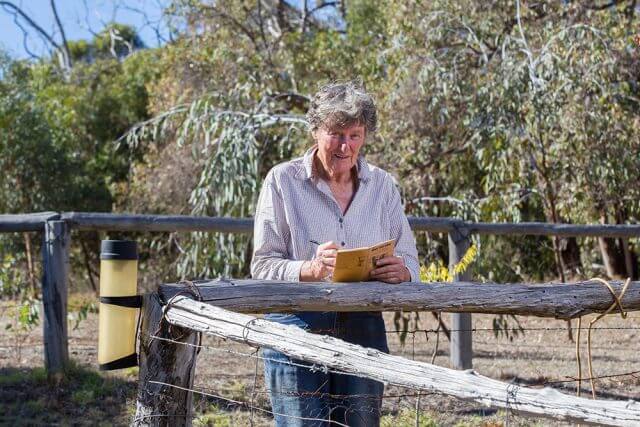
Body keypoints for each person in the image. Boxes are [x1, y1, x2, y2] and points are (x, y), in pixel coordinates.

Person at [251, 80, 420, 426]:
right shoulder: (282, 181)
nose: (345, 146)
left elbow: (411, 262)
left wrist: (401, 272)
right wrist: (308, 269)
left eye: (355, 135)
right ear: (315, 130)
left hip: (364, 325)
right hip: (294, 326)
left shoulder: (383, 186)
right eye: (336, 134)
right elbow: (262, 265)